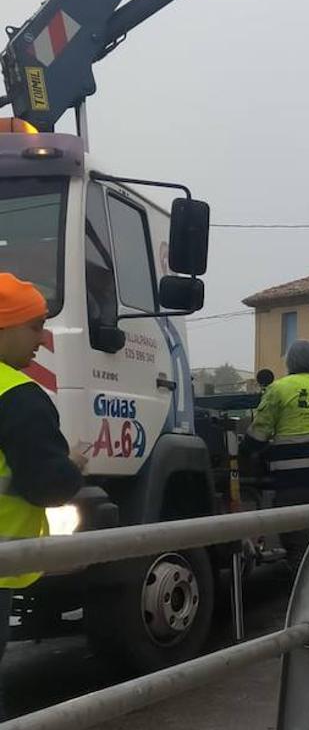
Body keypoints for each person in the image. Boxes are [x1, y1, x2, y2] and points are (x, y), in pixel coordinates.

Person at [0, 273, 86, 715]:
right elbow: (48, 486)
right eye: (34, 326)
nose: (43, 337)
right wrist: (72, 466)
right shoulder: (16, 394)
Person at [244, 340, 309, 649]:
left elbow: (258, 436)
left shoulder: (279, 389)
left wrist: (245, 453)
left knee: (301, 557)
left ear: (290, 362)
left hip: (295, 487)